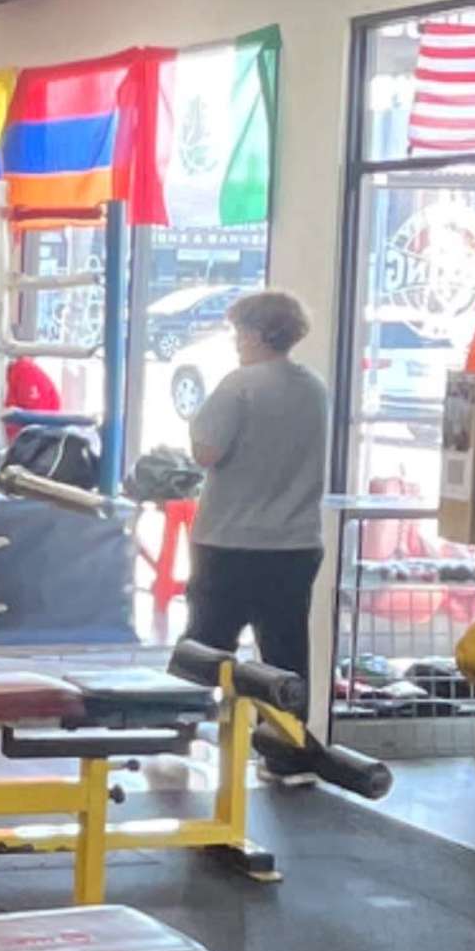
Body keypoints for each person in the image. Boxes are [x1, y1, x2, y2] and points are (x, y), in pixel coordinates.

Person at [184, 287, 333, 705]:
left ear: (256, 334)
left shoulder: (239, 385)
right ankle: (286, 740)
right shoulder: (314, 387)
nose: (236, 341)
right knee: (285, 658)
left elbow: (206, 452)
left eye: (239, 331)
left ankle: (181, 729)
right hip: (296, 545)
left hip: (230, 541)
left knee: (204, 650)